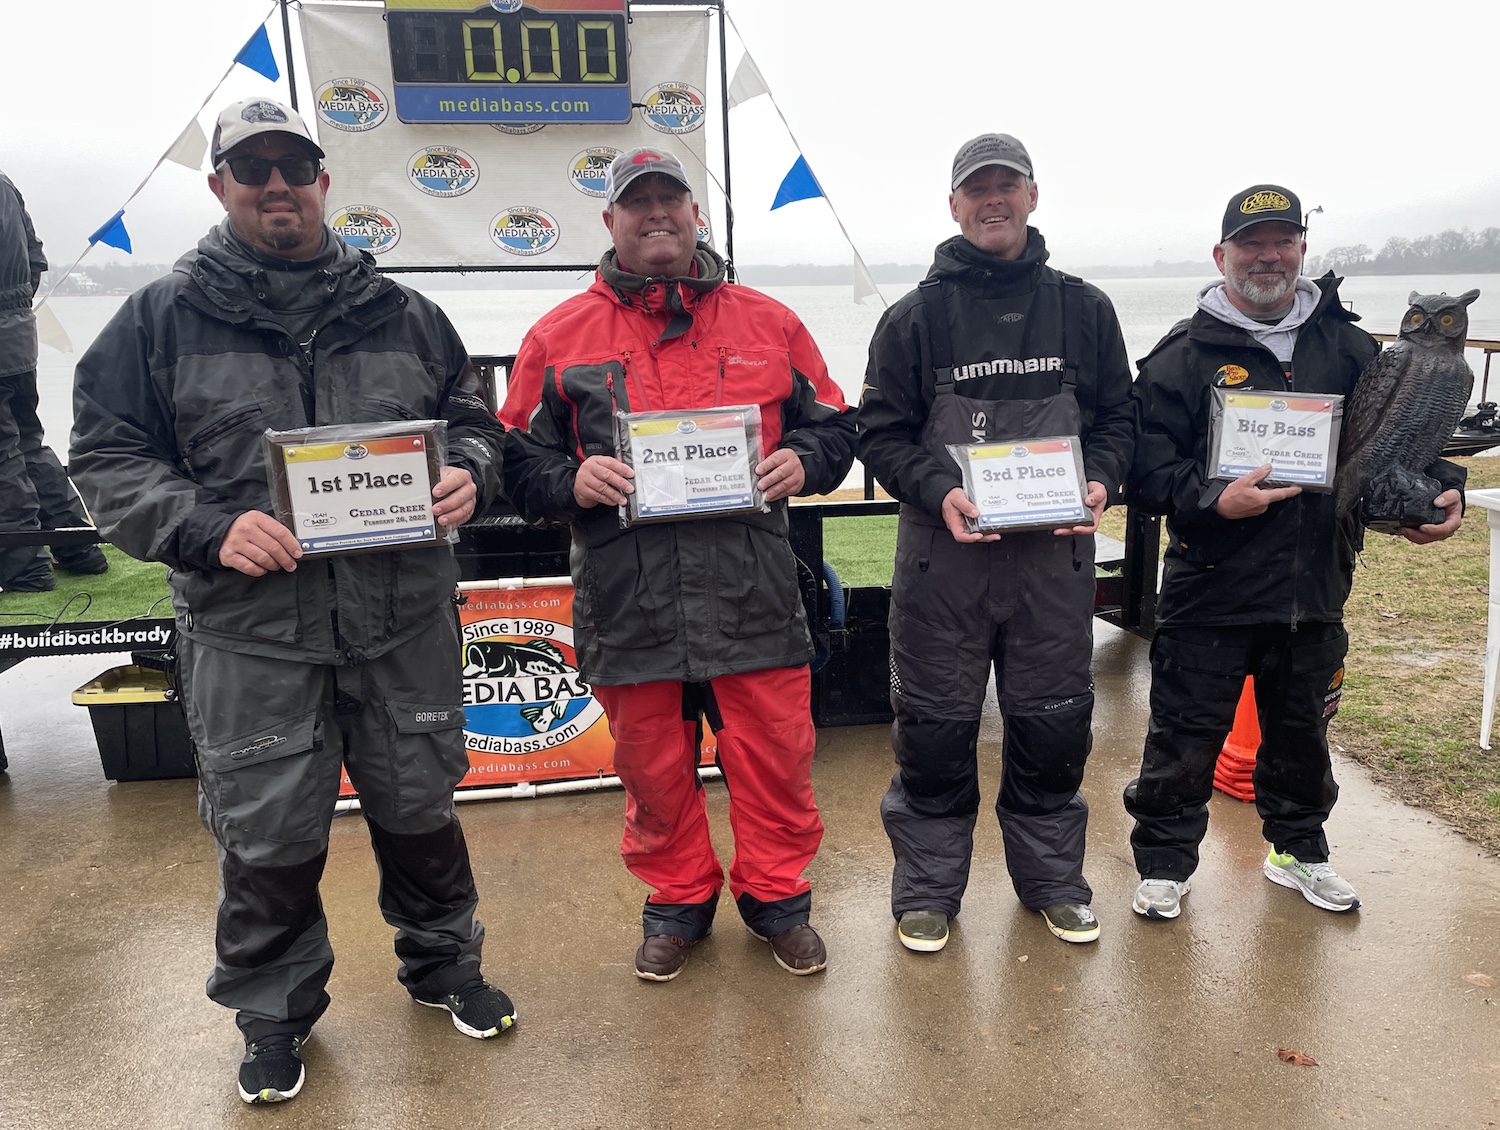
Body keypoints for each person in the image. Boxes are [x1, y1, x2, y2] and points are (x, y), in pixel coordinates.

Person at [69, 98, 514, 1105]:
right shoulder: (156, 320)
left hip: (402, 621)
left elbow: (474, 420)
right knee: (267, 832)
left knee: (420, 806)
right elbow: (104, 458)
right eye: (253, 168)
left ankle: (444, 963)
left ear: (323, 181)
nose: (277, 185)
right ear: (220, 185)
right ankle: (273, 1013)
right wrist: (204, 525)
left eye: (294, 167)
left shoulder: (406, 314)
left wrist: (470, 472)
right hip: (251, 634)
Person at [501, 147, 856, 982]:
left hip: (753, 588)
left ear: (697, 213)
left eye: (671, 199)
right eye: (638, 202)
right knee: (652, 765)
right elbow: (513, 457)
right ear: (610, 221)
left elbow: (838, 425)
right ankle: (678, 900)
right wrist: (569, 481)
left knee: (775, 754)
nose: (656, 213)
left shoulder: (771, 321)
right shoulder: (556, 335)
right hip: (629, 596)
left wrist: (806, 460)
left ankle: (777, 898)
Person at [1123, 184, 1464, 921]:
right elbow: (1144, 473)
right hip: (1210, 587)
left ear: (1303, 250)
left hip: (1316, 584)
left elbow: (1402, 446)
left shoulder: (1351, 348)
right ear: (1221, 255)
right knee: (1184, 737)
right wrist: (1214, 499)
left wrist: (1438, 496)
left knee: (1303, 736)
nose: (1268, 256)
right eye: (1251, 243)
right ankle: (1165, 864)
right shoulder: (1180, 357)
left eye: (1282, 241)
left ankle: (1299, 851)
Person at [858, 133, 1134, 953]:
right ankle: (927, 893)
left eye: (1007, 185)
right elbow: (879, 433)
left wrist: (1101, 480)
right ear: (954, 205)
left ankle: (1054, 884)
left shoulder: (1085, 310)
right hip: (942, 564)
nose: (993, 201)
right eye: (977, 189)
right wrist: (937, 488)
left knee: (1054, 727)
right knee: (934, 731)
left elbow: (1121, 421)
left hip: (1052, 566)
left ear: (1032, 196)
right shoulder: (913, 318)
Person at [0, 170, 107, 592]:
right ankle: (79, 548)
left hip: (12, 329)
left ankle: (24, 568)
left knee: (3, 454)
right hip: (19, 336)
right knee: (28, 441)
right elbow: (36, 258)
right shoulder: (5, 184)